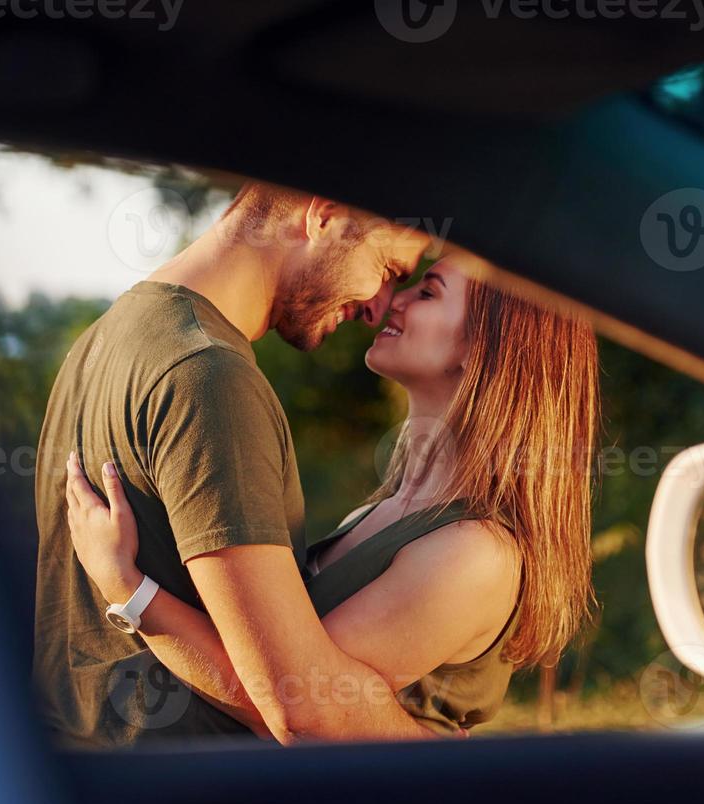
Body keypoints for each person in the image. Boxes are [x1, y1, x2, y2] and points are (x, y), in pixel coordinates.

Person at [64, 251, 600, 742]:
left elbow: (295, 703)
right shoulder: (384, 511)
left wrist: (129, 590)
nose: (393, 299)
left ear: (482, 348)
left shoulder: (474, 553)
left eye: (428, 292)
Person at [33, 182, 432, 747]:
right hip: (190, 802)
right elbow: (299, 703)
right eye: (388, 268)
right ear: (324, 213)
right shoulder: (207, 377)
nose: (379, 306)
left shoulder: (100, 342)